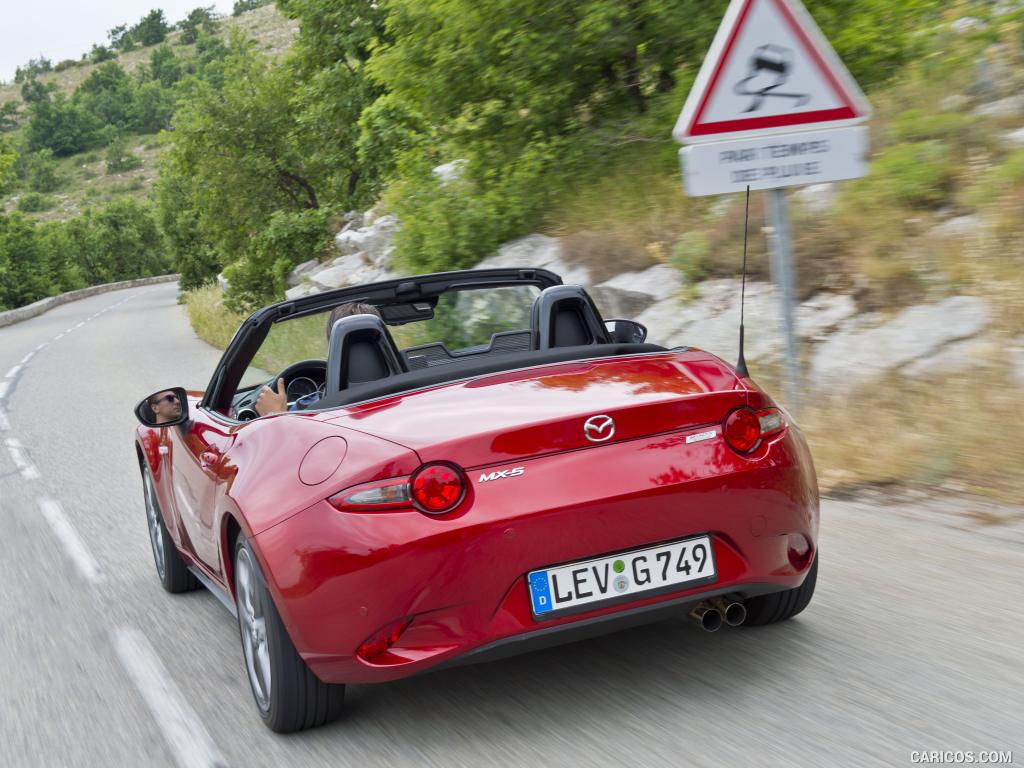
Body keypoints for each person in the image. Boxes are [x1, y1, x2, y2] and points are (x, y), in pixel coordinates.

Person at [255, 302, 382, 416]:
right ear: (383, 341)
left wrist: (275, 414)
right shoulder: (401, 390)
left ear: (332, 347)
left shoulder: (311, 411)